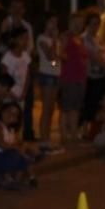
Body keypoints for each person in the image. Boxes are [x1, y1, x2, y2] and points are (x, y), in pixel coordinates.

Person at [2, 0, 36, 140]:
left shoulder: (27, 26)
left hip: (22, 88)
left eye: (20, 7)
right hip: (11, 90)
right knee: (8, 113)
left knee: (21, 114)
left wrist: (25, 90)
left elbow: (28, 70)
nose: (17, 10)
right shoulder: (5, 24)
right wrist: (9, 91)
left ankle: (22, 137)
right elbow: (4, 75)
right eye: (14, 6)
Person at [0, 101, 40, 189]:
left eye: (14, 114)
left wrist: (27, 146)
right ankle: (10, 179)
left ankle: (22, 178)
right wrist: (19, 148)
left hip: (4, 158)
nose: (10, 115)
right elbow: (2, 145)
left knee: (27, 151)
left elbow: (19, 142)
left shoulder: (11, 130)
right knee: (18, 153)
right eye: (8, 111)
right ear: (1, 112)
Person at [59, 13, 88, 144]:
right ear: (70, 22)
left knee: (76, 107)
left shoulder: (80, 39)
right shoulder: (66, 36)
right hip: (69, 76)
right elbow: (60, 53)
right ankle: (64, 134)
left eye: (81, 23)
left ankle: (73, 134)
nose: (78, 25)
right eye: (76, 22)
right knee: (66, 107)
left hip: (80, 77)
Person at [35, 13, 61, 144]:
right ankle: (43, 138)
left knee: (51, 108)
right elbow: (51, 57)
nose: (54, 24)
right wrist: (55, 41)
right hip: (47, 75)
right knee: (46, 108)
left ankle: (47, 137)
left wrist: (57, 60)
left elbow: (57, 59)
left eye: (56, 22)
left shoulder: (55, 40)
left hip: (56, 75)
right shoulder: (42, 38)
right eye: (51, 21)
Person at [0, 26, 32, 107]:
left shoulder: (25, 56)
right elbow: (4, 79)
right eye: (23, 38)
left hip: (21, 94)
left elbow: (28, 76)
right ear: (15, 39)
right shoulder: (8, 57)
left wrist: (24, 92)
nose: (26, 41)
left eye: (27, 38)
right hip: (9, 95)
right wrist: (11, 94)